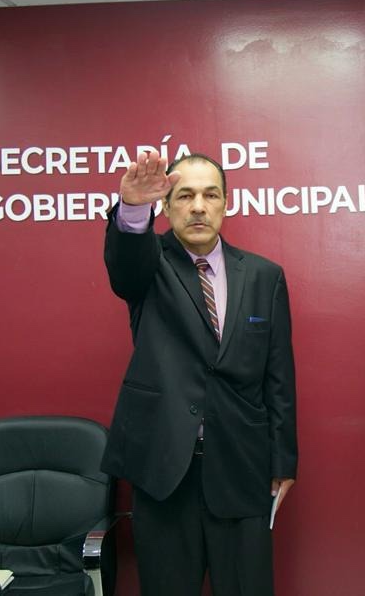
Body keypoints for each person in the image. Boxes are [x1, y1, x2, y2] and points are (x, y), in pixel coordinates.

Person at [100, 150, 297, 596]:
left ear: (226, 204)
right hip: (165, 468)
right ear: (166, 208)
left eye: (211, 195)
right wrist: (132, 210)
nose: (198, 206)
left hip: (242, 467)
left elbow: (278, 375)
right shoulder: (150, 266)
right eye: (184, 196)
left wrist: (283, 460)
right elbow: (123, 265)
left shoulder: (265, 276)